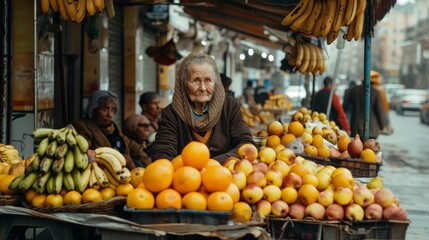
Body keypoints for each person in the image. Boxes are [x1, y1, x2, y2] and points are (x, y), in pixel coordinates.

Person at [149, 53, 254, 163]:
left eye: (208, 80)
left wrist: (212, 164)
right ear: (183, 83)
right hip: (187, 176)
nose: (203, 88)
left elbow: (246, 144)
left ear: (216, 83)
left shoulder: (229, 106)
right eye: (196, 80)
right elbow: (162, 154)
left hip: (225, 174)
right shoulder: (171, 113)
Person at [74, 90, 151, 169]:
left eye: (113, 110)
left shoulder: (113, 127)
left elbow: (132, 146)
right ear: (94, 109)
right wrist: (118, 158)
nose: (110, 115)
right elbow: (85, 152)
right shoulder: (84, 126)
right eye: (105, 109)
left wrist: (150, 163)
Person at [369, 71, 394, 135]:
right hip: (375, 118)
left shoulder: (361, 88)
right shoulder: (380, 90)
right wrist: (386, 121)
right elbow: (385, 107)